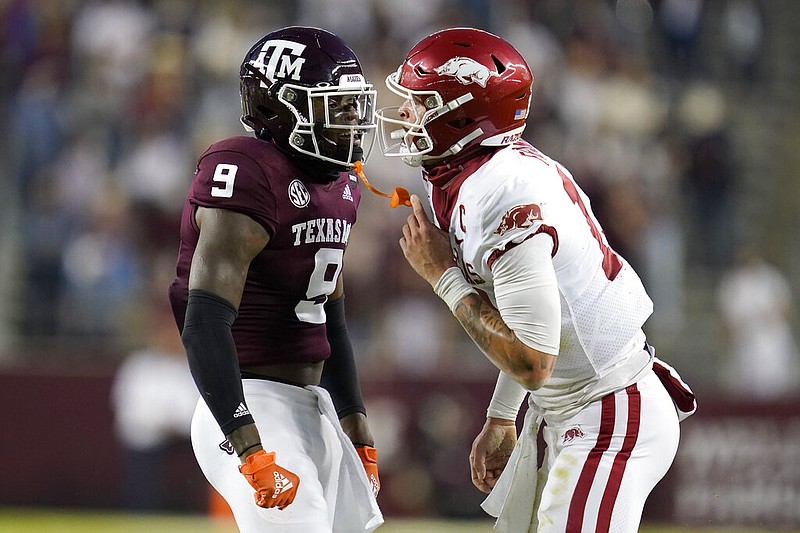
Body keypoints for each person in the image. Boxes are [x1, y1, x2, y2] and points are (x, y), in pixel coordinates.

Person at [375, 28, 696, 532]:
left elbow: (533, 358)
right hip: (571, 409)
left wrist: (443, 277)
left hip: (607, 414)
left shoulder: (500, 192)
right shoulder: (483, 175)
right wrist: (503, 415)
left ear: (464, 115)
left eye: (422, 103)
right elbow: (529, 319)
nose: (407, 116)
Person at [168, 26, 382, 532]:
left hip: (315, 407)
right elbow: (204, 322)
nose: (352, 119)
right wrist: (246, 440)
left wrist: (355, 419)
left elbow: (331, 316)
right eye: (336, 104)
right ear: (280, 108)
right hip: (254, 399)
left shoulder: (341, 184)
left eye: (353, 104)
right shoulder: (246, 170)